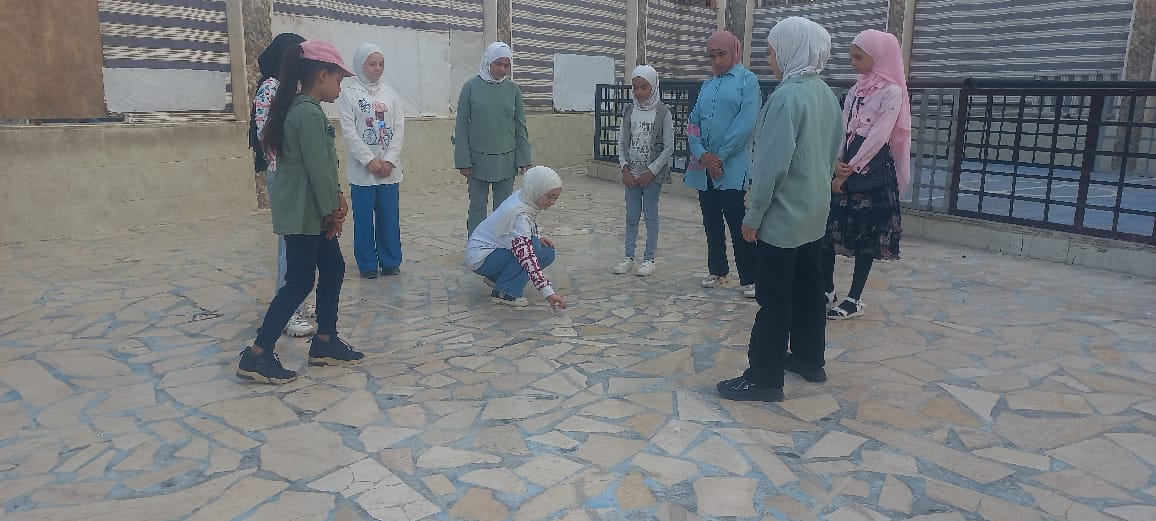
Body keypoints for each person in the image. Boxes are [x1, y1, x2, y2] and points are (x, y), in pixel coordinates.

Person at [717, 16, 843, 403]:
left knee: (773, 300)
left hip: (783, 219)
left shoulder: (786, 98)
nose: (770, 59)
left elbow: (771, 167)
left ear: (790, 51)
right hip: (814, 215)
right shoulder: (825, 94)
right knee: (809, 290)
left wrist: (753, 216)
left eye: (772, 51)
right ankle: (809, 359)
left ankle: (764, 378)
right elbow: (831, 154)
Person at [239, 40, 364, 384]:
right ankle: (257, 354)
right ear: (322, 75)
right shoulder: (307, 113)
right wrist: (333, 210)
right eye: (338, 79)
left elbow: (322, 166)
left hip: (311, 211)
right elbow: (318, 169)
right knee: (299, 282)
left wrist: (333, 202)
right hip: (305, 214)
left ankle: (325, 341)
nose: (340, 87)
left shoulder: (302, 108)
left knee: (334, 268)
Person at [823, 29, 910, 320]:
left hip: (871, 170)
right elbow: (842, 128)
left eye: (858, 57)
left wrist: (849, 170)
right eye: (852, 56)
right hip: (846, 164)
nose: (853, 62)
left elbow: (879, 136)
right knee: (828, 230)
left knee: (866, 238)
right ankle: (826, 289)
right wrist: (836, 162)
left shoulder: (892, 92)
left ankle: (853, 298)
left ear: (878, 57)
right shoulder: (857, 89)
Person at [251, 33, 317, 338]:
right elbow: (269, 136)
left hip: (297, 174)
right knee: (288, 247)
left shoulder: (292, 87)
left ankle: (298, 300)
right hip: (286, 175)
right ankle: (287, 311)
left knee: (301, 243)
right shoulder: (271, 88)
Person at [686, 30, 759, 298]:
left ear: (734, 52)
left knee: (738, 221)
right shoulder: (708, 85)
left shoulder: (747, 81)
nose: (717, 61)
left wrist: (720, 156)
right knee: (711, 221)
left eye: (722, 54)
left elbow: (745, 124)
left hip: (732, 166)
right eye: (712, 56)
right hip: (705, 166)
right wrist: (703, 154)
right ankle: (717, 270)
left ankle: (751, 277)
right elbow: (693, 123)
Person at [338, 43, 406, 279]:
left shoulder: (390, 94)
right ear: (360, 65)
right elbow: (349, 132)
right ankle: (367, 264)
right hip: (363, 173)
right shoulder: (349, 94)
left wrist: (389, 160)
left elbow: (398, 128)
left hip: (389, 172)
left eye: (381, 64)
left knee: (389, 218)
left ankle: (390, 260)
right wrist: (369, 161)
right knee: (364, 220)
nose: (377, 68)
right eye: (372, 64)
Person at [454, 42, 532, 236]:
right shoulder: (470, 87)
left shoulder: (513, 90)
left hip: (506, 159)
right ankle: (476, 244)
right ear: (488, 62)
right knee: (477, 205)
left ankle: (499, 243)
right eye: (498, 64)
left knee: (504, 208)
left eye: (507, 65)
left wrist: (524, 159)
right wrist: (463, 160)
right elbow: (461, 125)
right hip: (477, 161)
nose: (502, 69)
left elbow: (520, 126)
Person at [465, 166, 567, 311]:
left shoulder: (524, 197)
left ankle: (499, 278)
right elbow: (527, 257)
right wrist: (548, 292)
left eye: (555, 197)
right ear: (536, 190)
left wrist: (537, 236)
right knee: (533, 250)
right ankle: (505, 292)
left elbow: (524, 229)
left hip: (492, 252)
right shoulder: (519, 215)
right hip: (482, 258)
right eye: (549, 196)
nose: (552, 202)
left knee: (546, 251)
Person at [612, 65, 674, 277]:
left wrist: (652, 171)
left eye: (643, 87)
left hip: (651, 178)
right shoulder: (629, 111)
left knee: (650, 216)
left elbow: (668, 147)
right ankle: (629, 257)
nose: (638, 92)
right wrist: (625, 168)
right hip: (632, 175)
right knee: (631, 216)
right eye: (635, 87)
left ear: (653, 87)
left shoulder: (663, 113)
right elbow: (622, 142)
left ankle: (649, 259)